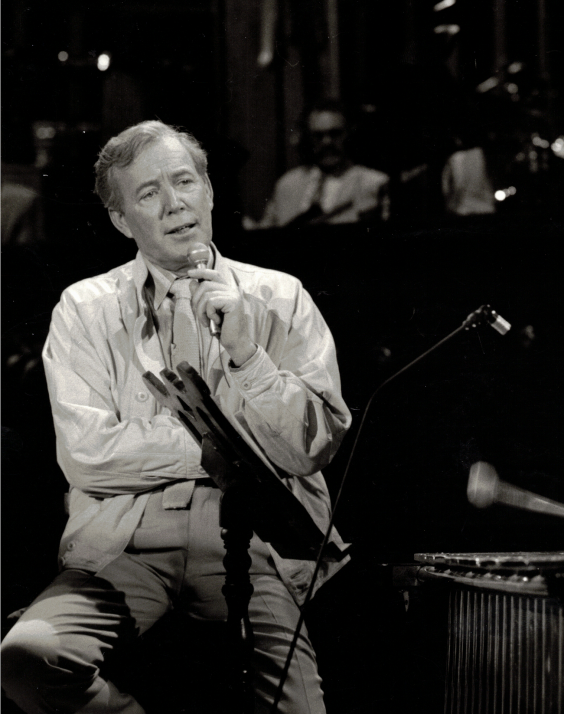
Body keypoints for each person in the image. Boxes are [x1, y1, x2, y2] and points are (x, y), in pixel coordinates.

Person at [0, 120, 352, 713]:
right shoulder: (84, 309)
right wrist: (227, 446)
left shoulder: (281, 296)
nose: (174, 204)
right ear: (120, 221)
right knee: (27, 659)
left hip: (255, 536)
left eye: (184, 181)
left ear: (209, 190)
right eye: (147, 194)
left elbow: (310, 447)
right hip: (127, 538)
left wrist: (248, 355)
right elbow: (87, 456)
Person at [249, 99, 390, 228]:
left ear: (349, 133)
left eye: (335, 134)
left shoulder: (374, 183)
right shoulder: (287, 185)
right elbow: (264, 235)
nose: (326, 142)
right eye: (318, 136)